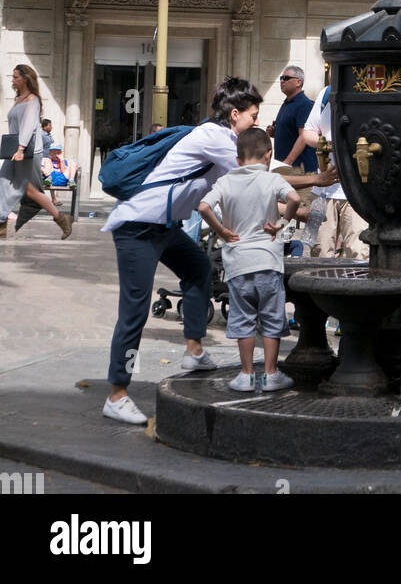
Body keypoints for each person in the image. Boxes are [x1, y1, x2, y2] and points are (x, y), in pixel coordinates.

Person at [101, 77, 263, 427]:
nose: (257, 123)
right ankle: (117, 393)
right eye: (253, 116)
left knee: (198, 268)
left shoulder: (219, 139)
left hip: (164, 227)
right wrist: (313, 180)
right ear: (235, 115)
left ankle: (193, 351)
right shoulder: (215, 139)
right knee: (134, 313)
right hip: (138, 228)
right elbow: (258, 177)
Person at [199, 127, 297, 392]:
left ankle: (245, 374)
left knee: (243, 319)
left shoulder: (225, 181)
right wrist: (282, 223)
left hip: (238, 264)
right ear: (269, 155)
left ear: (238, 159)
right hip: (267, 261)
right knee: (271, 319)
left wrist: (221, 231)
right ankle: (270, 374)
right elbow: (295, 198)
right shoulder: (272, 180)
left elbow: (203, 207)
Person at [0, 65, 72, 240]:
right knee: (3, 181)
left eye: (16, 77)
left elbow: (28, 127)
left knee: (30, 191)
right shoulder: (19, 99)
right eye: (13, 77)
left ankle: (62, 219)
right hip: (15, 150)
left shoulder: (32, 100)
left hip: (26, 151)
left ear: (26, 78)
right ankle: (1, 223)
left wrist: (20, 149)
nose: (13, 80)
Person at [302, 91, 367, 259]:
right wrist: (326, 143)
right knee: (320, 250)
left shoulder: (367, 92)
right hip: (324, 191)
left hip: (357, 191)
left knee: (358, 252)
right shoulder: (325, 94)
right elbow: (307, 133)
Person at [271, 65, 315, 173]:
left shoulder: (304, 104)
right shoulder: (286, 103)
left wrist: (288, 162)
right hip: (284, 166)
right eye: (281, 78)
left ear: (298, 82)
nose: (282, 81)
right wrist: (274, 132)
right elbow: (290, 132)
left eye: (286, 78)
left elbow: (304, 136)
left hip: (299, 169)